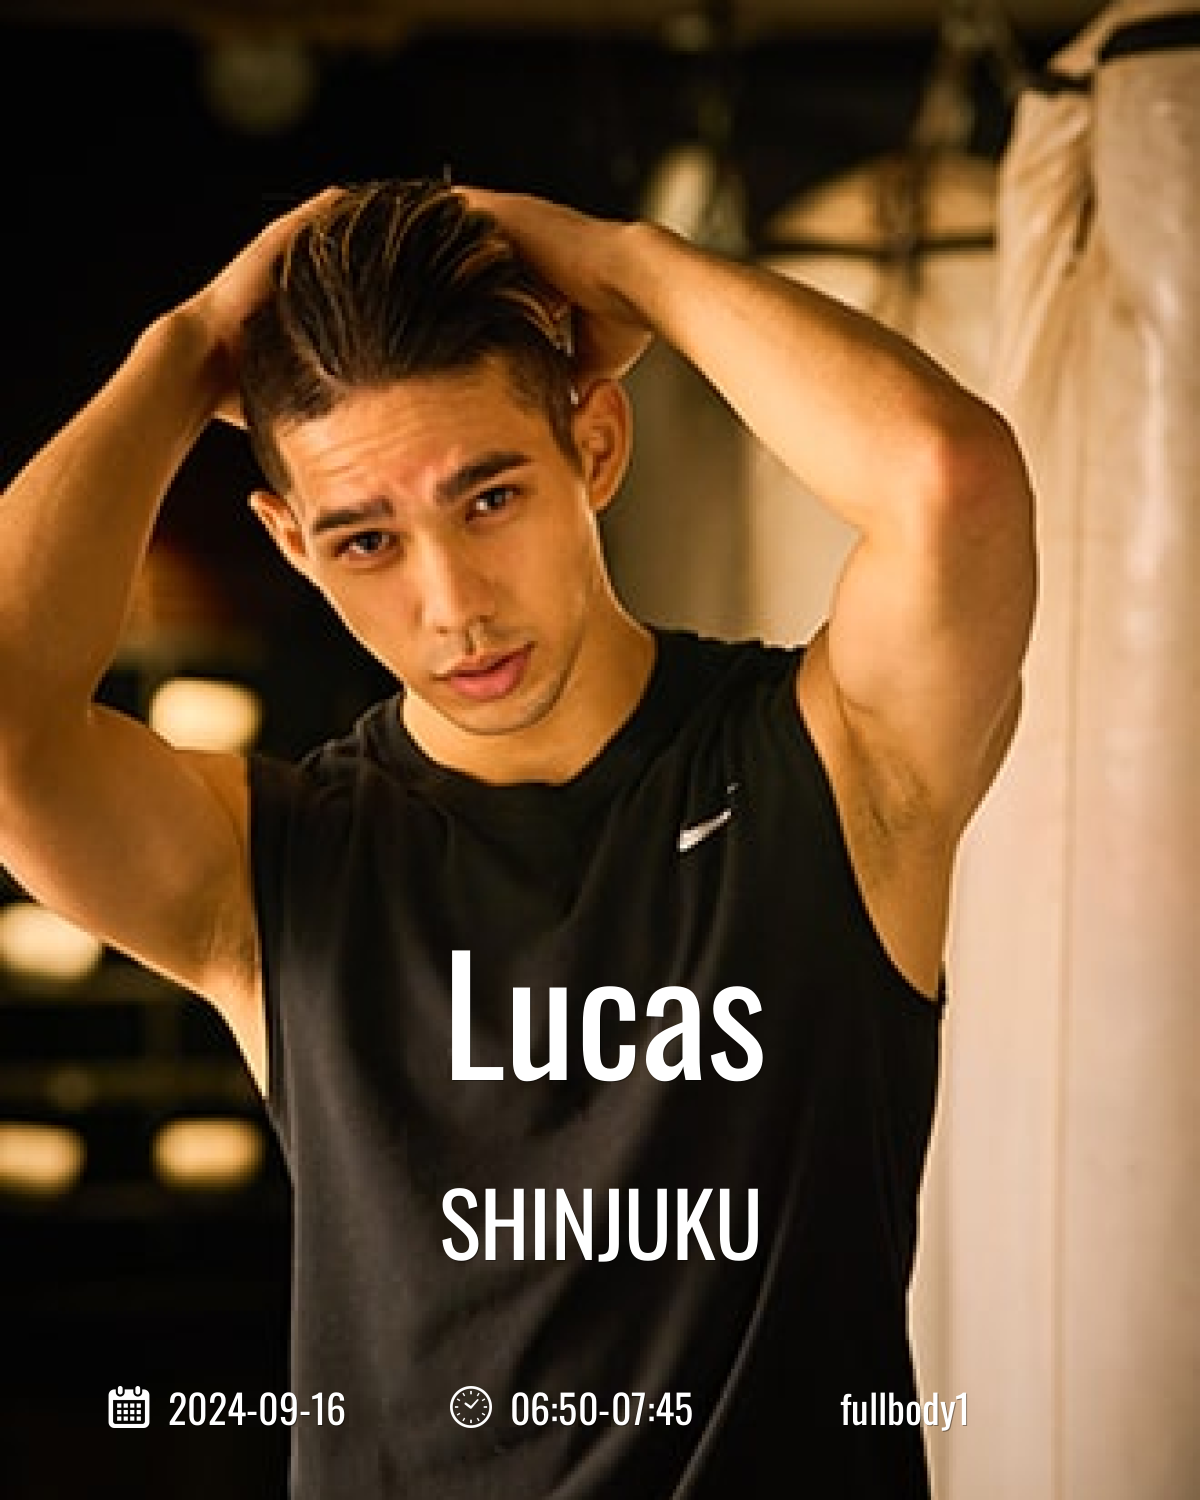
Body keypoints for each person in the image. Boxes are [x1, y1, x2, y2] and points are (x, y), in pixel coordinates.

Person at [0, 177, 1036, 1497]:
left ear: (595, 444)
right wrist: (189, 343)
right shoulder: (273, 872)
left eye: (488, 498)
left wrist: (625, 263)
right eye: (366, 541)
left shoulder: (838, 768)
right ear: (294, 547)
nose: (452, 605)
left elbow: (952, 483)